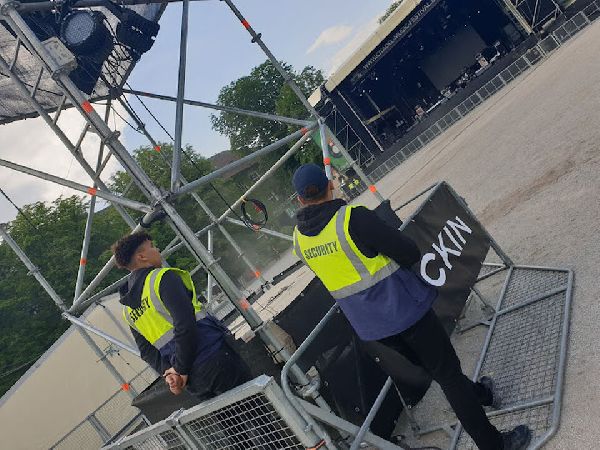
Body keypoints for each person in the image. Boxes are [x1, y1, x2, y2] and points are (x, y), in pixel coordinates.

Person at [291, 163, 532, 450]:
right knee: (448, 375)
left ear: (300, 199)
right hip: (405, 314)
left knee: (438, 370)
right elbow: (408, 251)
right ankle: (494, 444)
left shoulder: (299, 240)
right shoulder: (352, 219)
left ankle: (480, 395)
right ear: (330, 186)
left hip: (374, 329)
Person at [112, 231, 252, 401]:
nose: (157, 250)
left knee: (234, 417)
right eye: (152, 246)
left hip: (193, 380)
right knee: (257, 407)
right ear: (142, 257)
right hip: (214, 357)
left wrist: (171, 374)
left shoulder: (128, 309)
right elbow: (185, 324)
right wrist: (180, 369)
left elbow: (147, 351)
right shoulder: (162, 278)